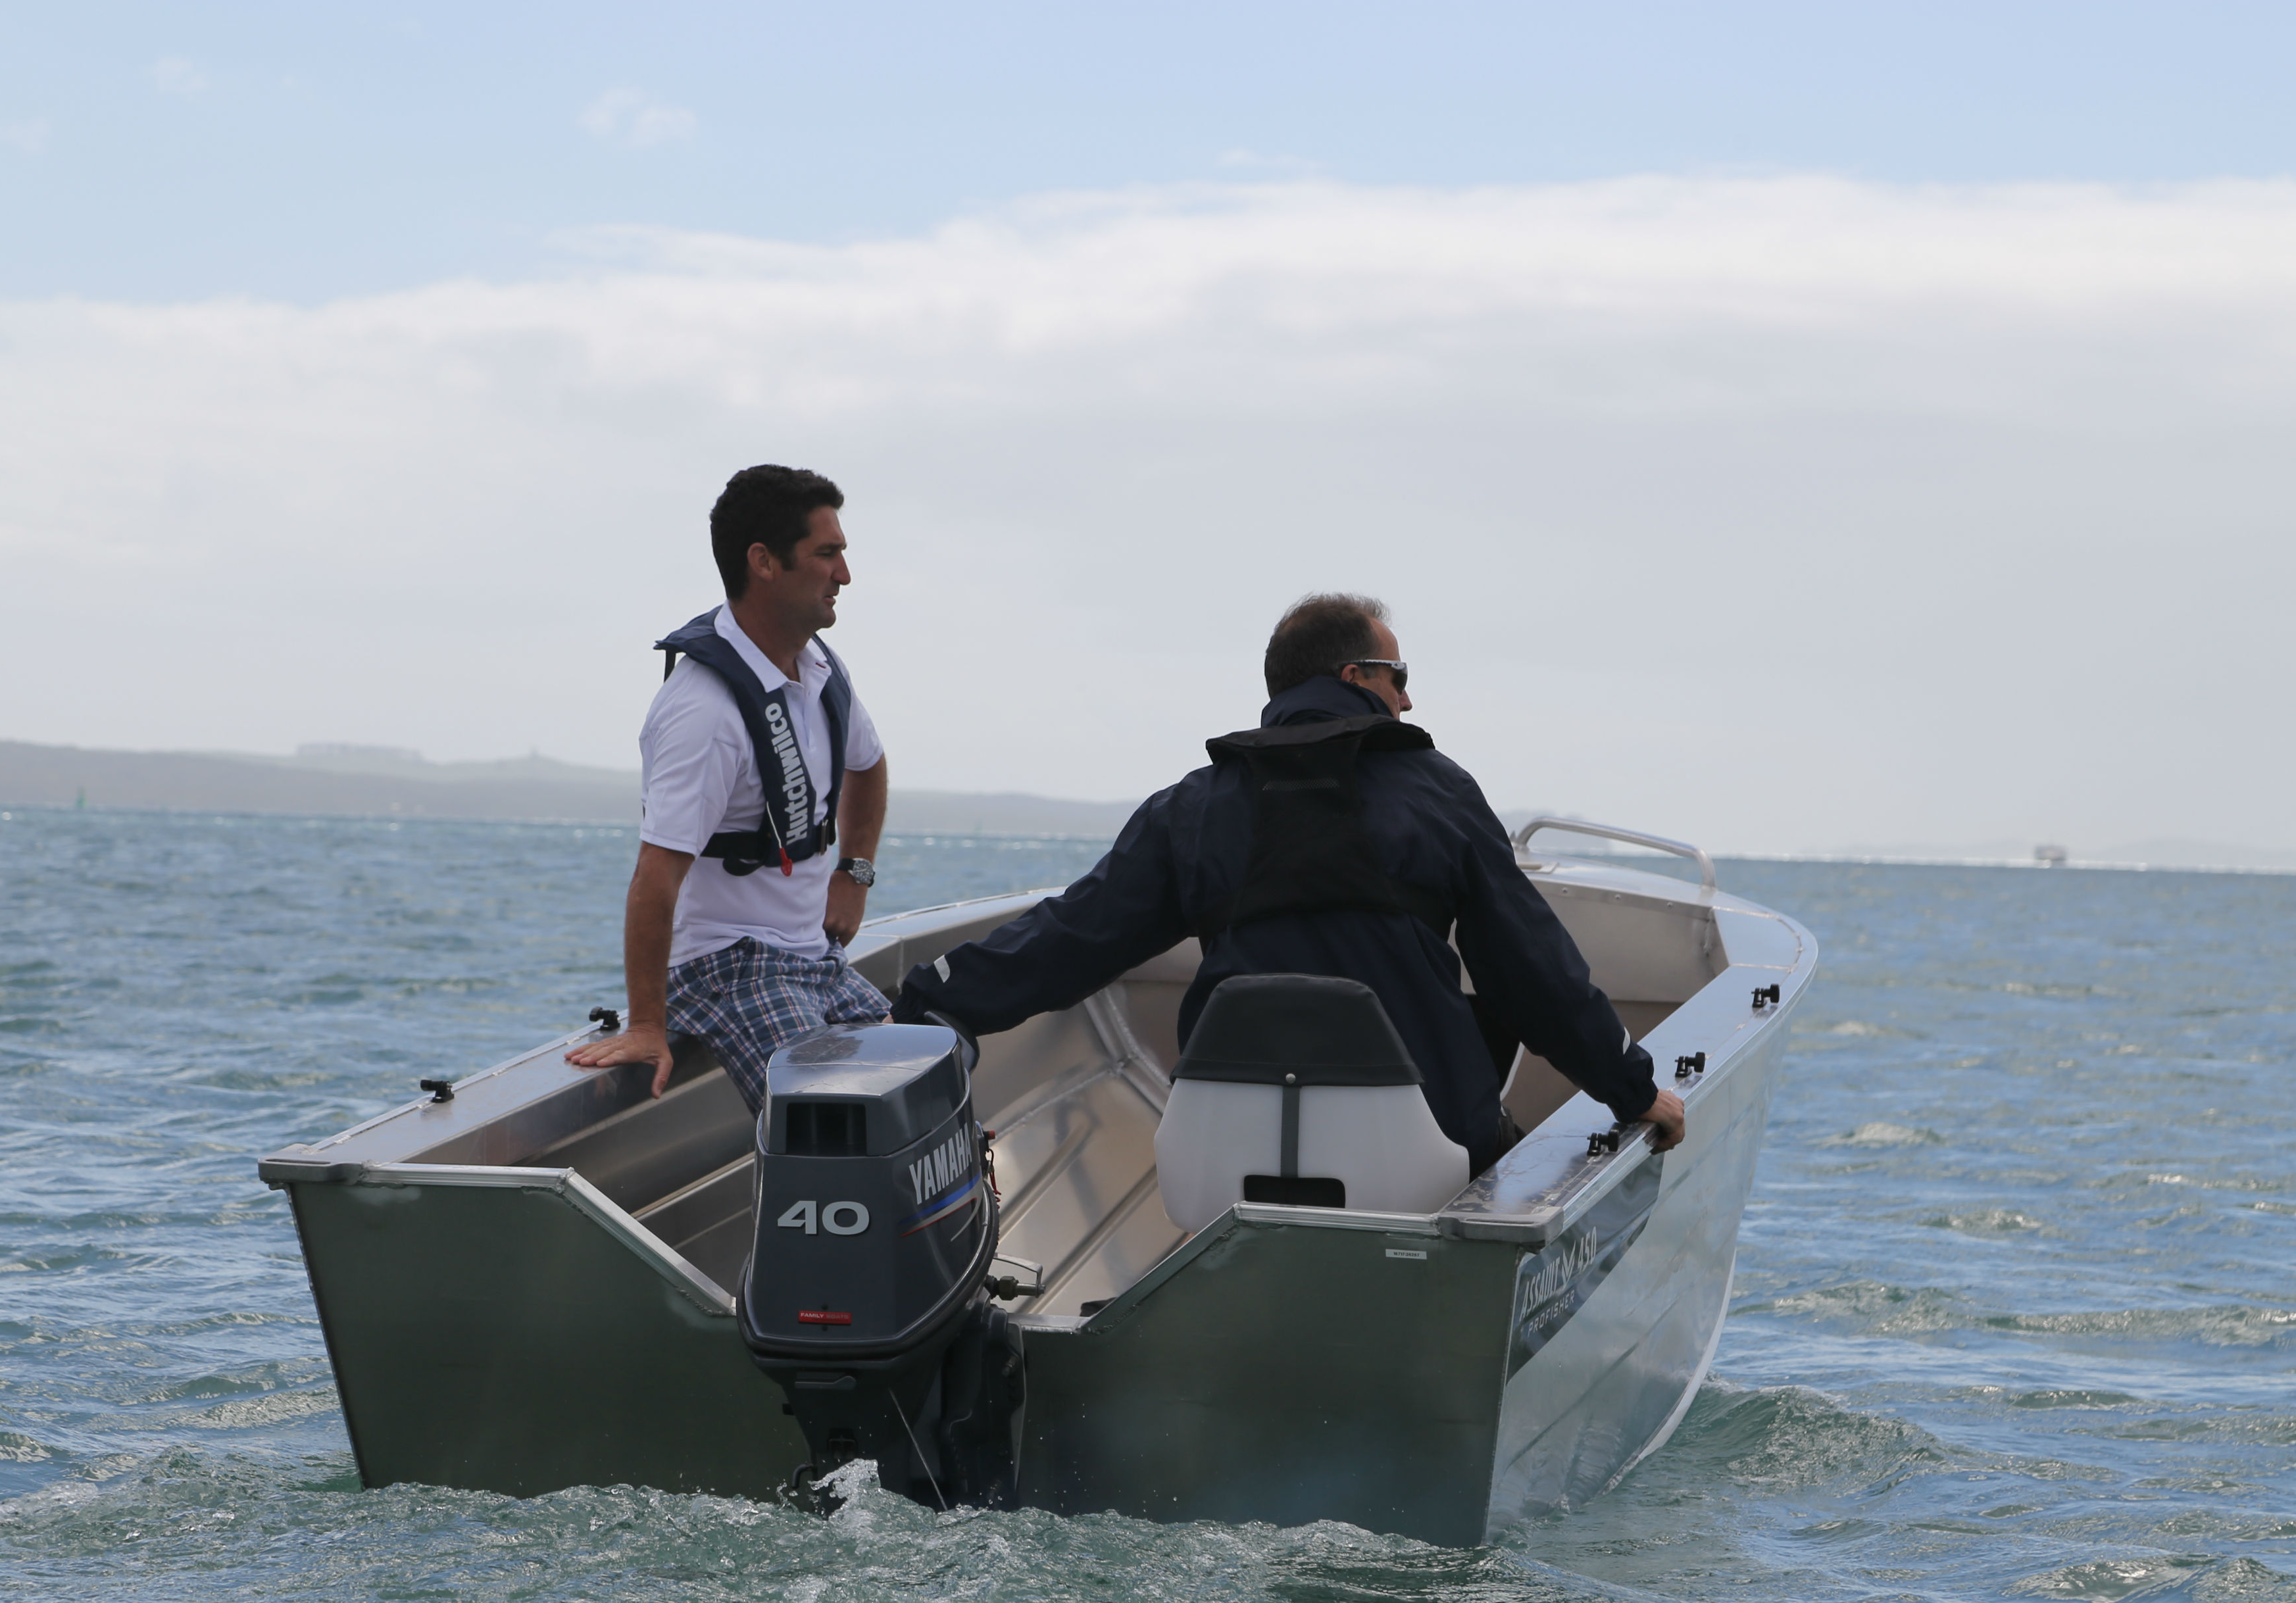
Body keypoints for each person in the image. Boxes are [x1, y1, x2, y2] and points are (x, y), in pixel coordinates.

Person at [893, 592, 1684, 1167]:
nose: (1408, 697)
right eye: (1397, 674)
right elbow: (1532, 971)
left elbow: (1072, 938)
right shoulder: (1437, 790)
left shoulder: (1193, 806)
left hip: (1216, 1160)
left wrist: (933, 998)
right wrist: (1632, 1090)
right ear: (1354, 674)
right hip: (1421, 1153)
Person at [566, 465, 891, 1112]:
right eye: (827, 555)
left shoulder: (821, 669)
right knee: (838, 1125)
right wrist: (647, 1028)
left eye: (843, 555)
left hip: (813, 958)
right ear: (764, 562)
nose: (844, 576)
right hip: (727, 968)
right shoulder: (705, 712)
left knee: (931, 1083)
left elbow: (869, 764)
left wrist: (853, 874)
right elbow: (654, 878)